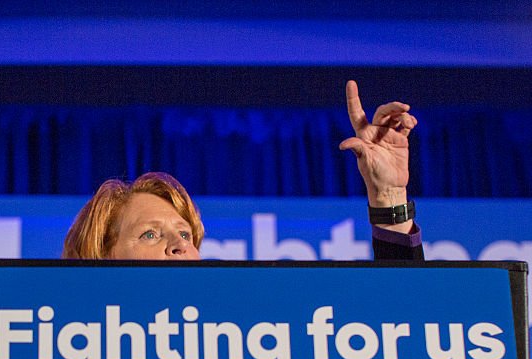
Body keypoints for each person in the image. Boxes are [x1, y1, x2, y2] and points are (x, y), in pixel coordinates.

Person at [62, 81, 422, 262]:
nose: (179, 248)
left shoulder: (250, 345)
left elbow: (399, 332)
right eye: (150, 235)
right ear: (101, 255)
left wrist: (388, 197)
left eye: (186, 236)